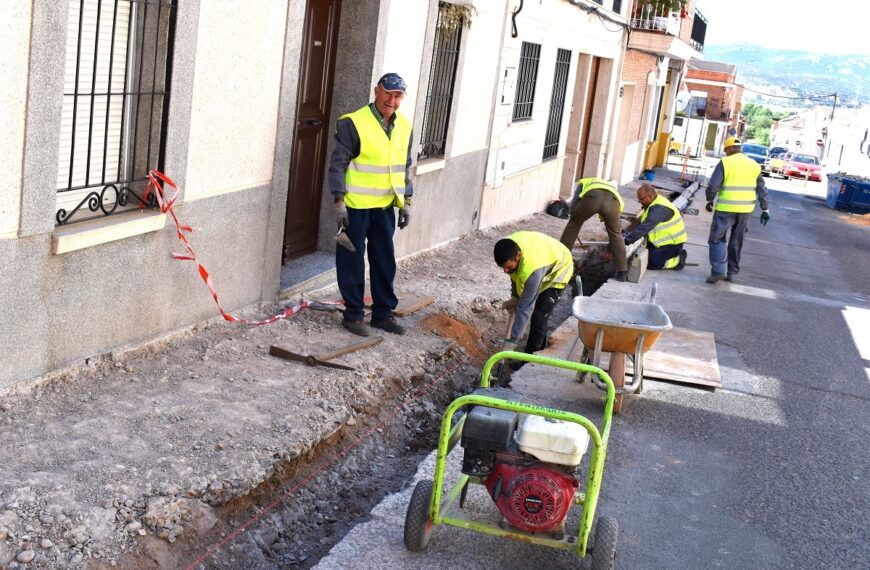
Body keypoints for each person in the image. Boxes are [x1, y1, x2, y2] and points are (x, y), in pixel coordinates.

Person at [327, 73, 414, 336]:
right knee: (351, 260)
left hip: (385, 205)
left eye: (397, 96)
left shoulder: (404, 127)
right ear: (376, 91)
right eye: (387, 93)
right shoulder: (353, 123)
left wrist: (406, 200)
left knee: (384, 261)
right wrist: (338, 200)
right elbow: (338, 164)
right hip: (355, 205)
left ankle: (383, 314)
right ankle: (353, 315)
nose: (392, 100)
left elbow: (404, 166)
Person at [494, 231, 574, 369]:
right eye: (503, 267)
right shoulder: (508, 247)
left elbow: (525, 307)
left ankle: (530, 361)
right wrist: (515, 296)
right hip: (543, 257)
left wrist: (513, 339)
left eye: (508, 267)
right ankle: (535, 353)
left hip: (559, 270)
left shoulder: (532, 270)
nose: (505, 271)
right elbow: (515, 276)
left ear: (518, 256)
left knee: (539, 316)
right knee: (530, 303)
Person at [705, 136, 770, 284]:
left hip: (725, 209)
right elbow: (762, 189)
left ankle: (718, 271)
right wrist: (765, 209)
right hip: (746, 210)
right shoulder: (754, 165)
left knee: (716, 239)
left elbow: (713, 185)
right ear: (739, 149)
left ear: (728, 149)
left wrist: (709, 199)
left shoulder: (725, 162)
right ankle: (731, 273)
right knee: (737, 240)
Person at [559, 177, 627, 281]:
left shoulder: (585, 182)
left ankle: (561, 259)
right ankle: (622, 272)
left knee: (574, 224)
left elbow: (575, 199)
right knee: (616, 234)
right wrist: (610, 249)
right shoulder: (614, 190)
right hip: (612, 202)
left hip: (592, 198)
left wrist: (574, 215)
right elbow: (618, 224)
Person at [623, 183, 688, 270]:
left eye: (641, 199)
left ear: (649, 197)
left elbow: (644, 227)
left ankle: (678, 260)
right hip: (658, 243)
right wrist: (627, 234)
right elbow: (641, 224)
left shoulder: (659, 209)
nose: (639, 201)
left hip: (672, 244)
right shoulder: (653, 203)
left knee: (650, 264)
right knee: (640, 258)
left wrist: (625, 241)